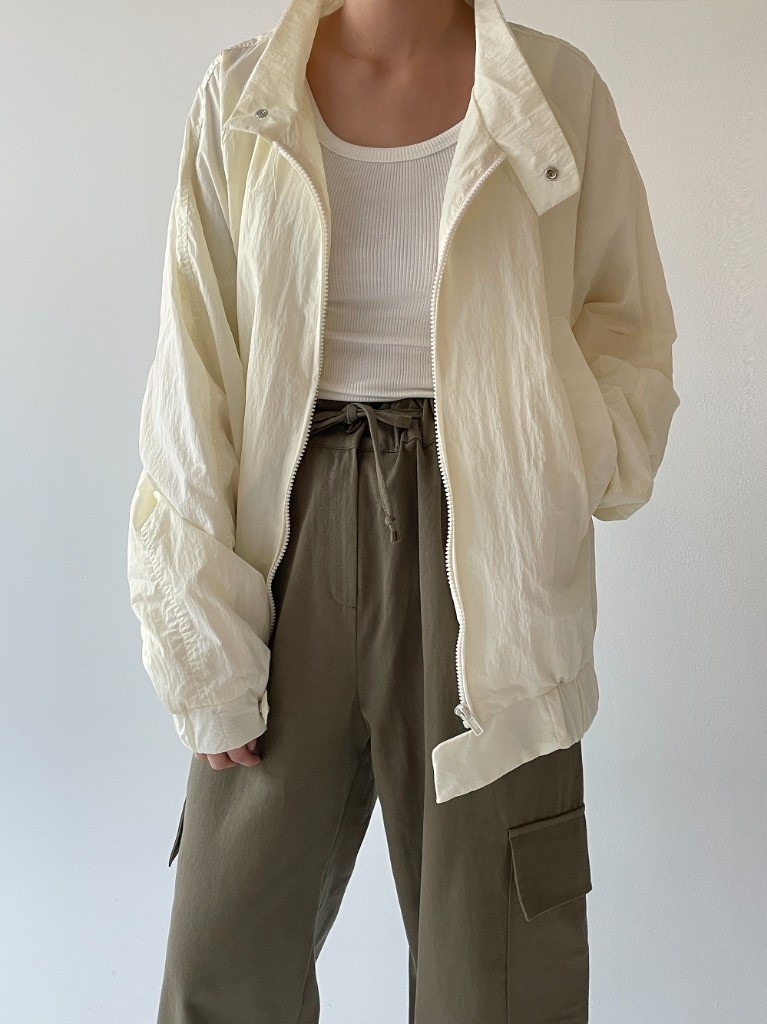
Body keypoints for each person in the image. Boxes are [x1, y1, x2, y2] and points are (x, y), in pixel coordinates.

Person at [126, 0, 680, 1020]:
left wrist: (557, 463)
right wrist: (202, 641)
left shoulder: (553, 89)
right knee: (221, 966)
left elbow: (625, 325)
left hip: (490, 555)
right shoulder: (241, 95)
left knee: (496, 982)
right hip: (285, 540)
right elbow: (194, 372)